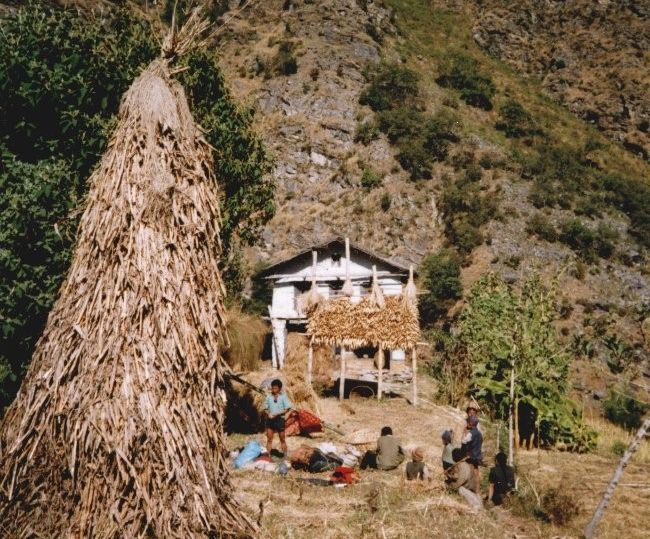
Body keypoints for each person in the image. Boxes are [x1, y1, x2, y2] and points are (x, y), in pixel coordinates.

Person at [264, 379, 292, 456]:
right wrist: (268, 413)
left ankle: (285, 456)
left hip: (280, 420)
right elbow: (265, 408)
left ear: (279, 389)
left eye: (275, 388)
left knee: (282, 439)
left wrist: (277, 414)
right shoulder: (268, 397)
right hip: (270, 420)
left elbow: (287, 409)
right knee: (269, 439)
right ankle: (268, 456)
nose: (273, 390)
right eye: (272, 388)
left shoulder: (283, 397)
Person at [461, 415, 483, 488]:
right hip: (478, 456)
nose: (466, 423)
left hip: (471, 456)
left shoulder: (471, 433)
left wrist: (464, 433)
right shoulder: (479, 434)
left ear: (470, 423)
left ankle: (467, 485)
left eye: (467, 422)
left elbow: (463, 442)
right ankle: (478, 487)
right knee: (476, 471)